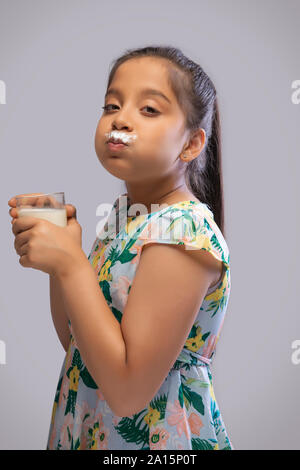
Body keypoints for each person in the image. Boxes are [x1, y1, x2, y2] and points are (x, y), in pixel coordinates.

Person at [8, 45, 233, 450]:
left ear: (191, 144)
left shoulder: (182, 230)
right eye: (112, 105)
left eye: (149, 109)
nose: (121, 119)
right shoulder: (127, 216)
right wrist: (63, 261)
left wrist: (73, 264)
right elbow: (82, 347)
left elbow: (127, 393)